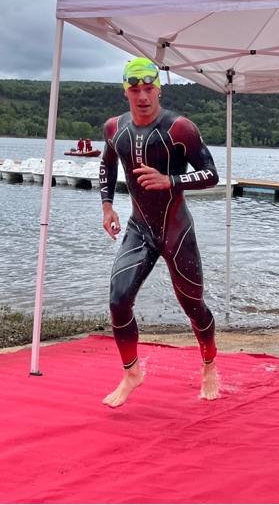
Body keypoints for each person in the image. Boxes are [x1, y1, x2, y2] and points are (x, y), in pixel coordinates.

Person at [99, 56, 220, 407]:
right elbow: (107, 164)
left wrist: (171, 180)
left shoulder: (179, 128)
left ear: (159, 89)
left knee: (193, 305)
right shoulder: (113, 129)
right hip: (139, 227)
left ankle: (209, 365)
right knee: (118, 299)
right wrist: (107, 206)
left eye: (148, 89)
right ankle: (131, 373)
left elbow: (211, 174)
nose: (142, 97)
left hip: (175, 228)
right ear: (126, 92)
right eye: (135, 90)